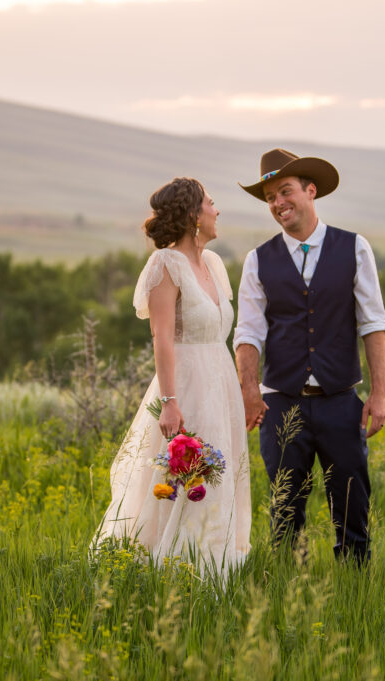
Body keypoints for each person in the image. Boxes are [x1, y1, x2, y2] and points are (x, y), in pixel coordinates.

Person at [234, 149, 385, 564]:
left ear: (310, 190)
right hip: (280, 403)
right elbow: (248, 332)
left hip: (341, 402)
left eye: (285, 191)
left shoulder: (355, 248)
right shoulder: (257, 260)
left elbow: (373, 324)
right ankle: (290, 597)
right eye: (270, 198)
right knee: (285, 514)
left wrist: (379, 395)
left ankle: (356, 599)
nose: (278, 203)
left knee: (353, 509)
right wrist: (250, 392)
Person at [92, 177, 251, 575]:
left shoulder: (213, 264)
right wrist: (170, 402)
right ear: (194, 216)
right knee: (180, 481)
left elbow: (219, 330)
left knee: (217, 477)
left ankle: (216, 567)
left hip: (220, 384)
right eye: (211, 203)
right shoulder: (165, 264)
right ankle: (169, 570)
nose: (217, 211)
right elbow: (162, 337)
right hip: (185, 387)